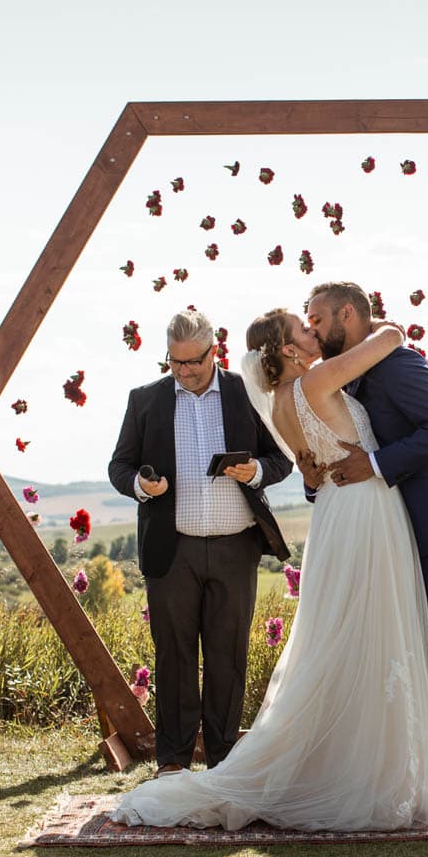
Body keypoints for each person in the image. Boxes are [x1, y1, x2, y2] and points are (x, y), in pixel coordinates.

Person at [109, 304, 428, 833]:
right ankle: (383, 765)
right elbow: (390, 335)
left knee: (347, 636)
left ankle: (363, 757)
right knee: (383, 634)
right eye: (305, 328)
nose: (313, 332)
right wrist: (378, 326)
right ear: (286, 348)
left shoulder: (278, 404)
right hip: (368, 510)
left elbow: (307, 471)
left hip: (334, 516)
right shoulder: (321, 378)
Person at [307, 281, 428, 813]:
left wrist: (377, 465)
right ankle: (409, 771)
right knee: (401, 649)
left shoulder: (400, 364)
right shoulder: (349, 376)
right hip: (383, 536)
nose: (313, 329)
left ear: (347, 314)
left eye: (317, 319)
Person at [107, 310, 293, 777]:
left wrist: (256, 472)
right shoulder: (144, 400)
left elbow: (281, 457)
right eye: (176, 362)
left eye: (194, 362)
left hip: (236, 548)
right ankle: (171, 761)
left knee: (229, 657)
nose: (185, 371)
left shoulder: (244, 392)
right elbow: (120, 466)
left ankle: (224, 761)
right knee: (173, 656)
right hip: (173, 550)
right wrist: (140, 487)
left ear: (214, 351)